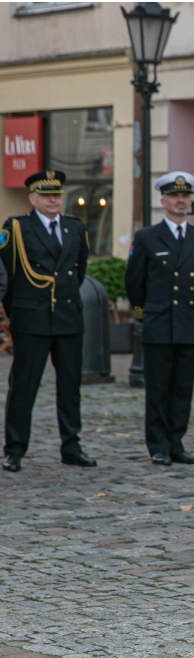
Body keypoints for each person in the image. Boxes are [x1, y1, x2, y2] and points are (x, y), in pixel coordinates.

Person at [0, 170, 93, 472]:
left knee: (70, 386)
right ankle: (14, 449)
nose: (52, 200)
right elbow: (7, 275)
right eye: (46, 195)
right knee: (24, 387)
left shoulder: (75, 228)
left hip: (67, 317)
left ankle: (71, 446)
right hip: (31, 318)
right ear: (32, 198)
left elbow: (78, 273)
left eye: (56, 195)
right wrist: (15, 311)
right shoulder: (16, 228)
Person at [124, 172, 194, 467]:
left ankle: (176, 442)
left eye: (185, 196)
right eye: (175, 197)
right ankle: (158, 445)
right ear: (163, 201)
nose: (181, 201)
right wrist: (148, 311)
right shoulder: (148, 238)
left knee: (182, 388)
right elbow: (134, 283)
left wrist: (186, 309)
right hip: (159, 323)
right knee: (158, 388)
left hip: (187, 323)